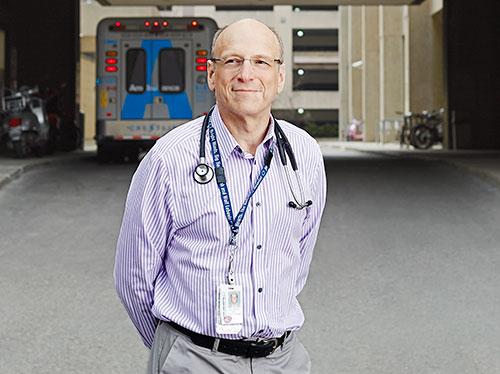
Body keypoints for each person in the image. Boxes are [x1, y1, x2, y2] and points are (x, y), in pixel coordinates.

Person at [114, 18, 327, 374]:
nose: (246, 74)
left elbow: (299, 258)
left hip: (283, 361)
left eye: (261, 61)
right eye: (232, 61)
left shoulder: (304, 153)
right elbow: (133, 276)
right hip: (194, 360)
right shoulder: (169, 158)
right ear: (212, 75)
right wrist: (177, 346)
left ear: (280, 76)